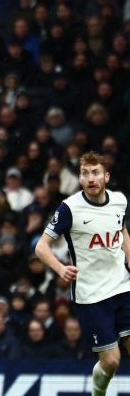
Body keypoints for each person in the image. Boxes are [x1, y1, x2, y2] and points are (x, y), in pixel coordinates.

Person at [35, 151, 130, 396]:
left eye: (96, 172)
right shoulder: (70, 208)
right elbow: (41, 247)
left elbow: (122, 231)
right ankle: (98, 394)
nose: (91, 178)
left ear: (106, 176)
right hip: (92, 296)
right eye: (85, 173)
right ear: (79, 178)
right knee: (111, 361)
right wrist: (60, 268)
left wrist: (129, 256)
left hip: (123, 286)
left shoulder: (119, 200)